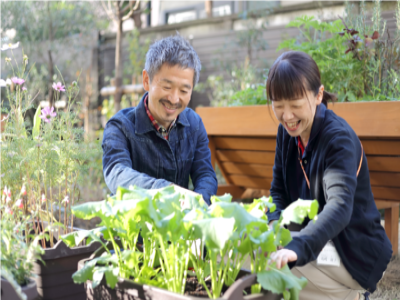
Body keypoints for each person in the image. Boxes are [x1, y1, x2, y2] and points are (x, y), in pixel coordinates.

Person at [266, 51, 392, 300]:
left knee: (277, 268)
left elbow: (339, 206)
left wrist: (296, 246)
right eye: (278, 106)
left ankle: (352, 294)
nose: (287, 116)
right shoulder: (288, 134)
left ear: (318, 95)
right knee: (254, 249)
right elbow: (277, 192)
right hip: (318, 242)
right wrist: (273, 227)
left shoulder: (338, 139)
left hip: (353, 252)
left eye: (295, 105)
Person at [102, 34, 218, 204]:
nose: (174, 99)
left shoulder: (194, 124)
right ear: (146, 80)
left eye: (184, 91)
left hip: (179, 226)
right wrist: (168, 192)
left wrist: (198, 205)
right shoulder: (119, 127)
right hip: (134, 227)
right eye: (167, 87)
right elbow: (117, 173)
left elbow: (205, 175)